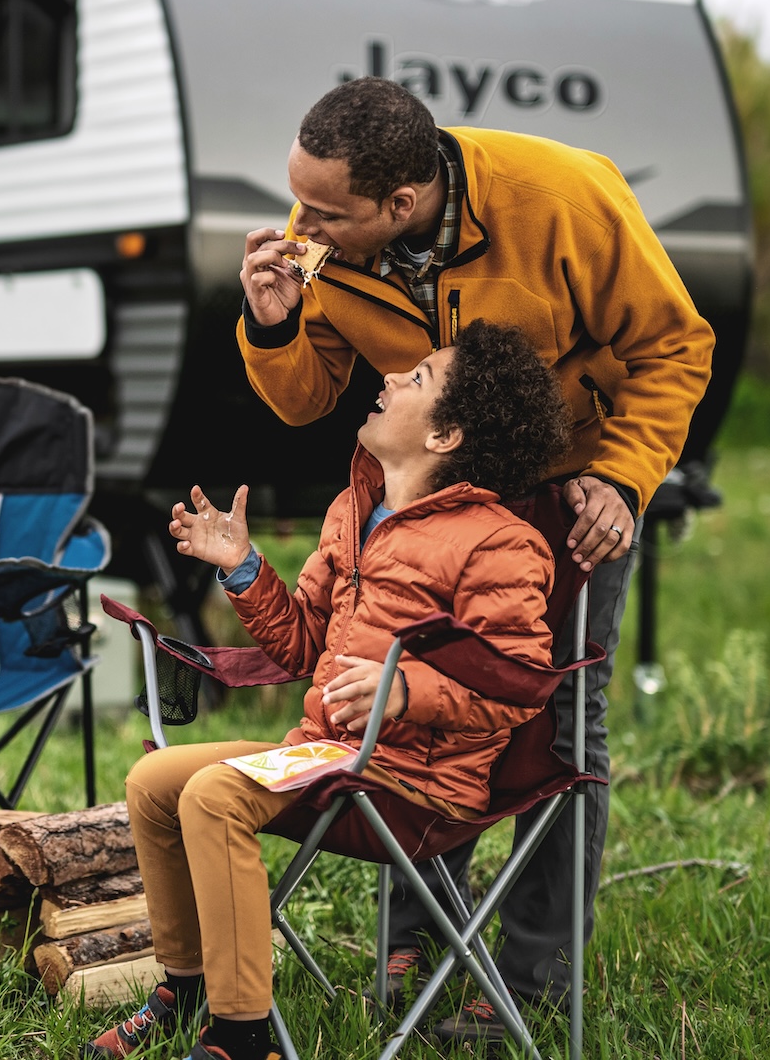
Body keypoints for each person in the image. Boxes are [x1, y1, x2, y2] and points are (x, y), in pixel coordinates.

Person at [236, 77, 715, 1039]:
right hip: (425, 495)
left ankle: (534, 979)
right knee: (398, 690)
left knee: (557, 719)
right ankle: (419, 936)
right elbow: (304, 399)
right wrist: (276, 323)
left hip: (570, 488)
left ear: (401, 204)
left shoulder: (564, 198)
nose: (302, 224)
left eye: (327, 211)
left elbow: (674, 346)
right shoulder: (323, 231)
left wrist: (620, 480)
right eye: (303, 201)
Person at [87, 321, 570, 1060]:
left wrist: (405, 691)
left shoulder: (498, 542)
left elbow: (519, 685)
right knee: (154, 780)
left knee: (214, 797)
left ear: (445, 438)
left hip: (416, 785)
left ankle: (246, 1037)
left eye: (418, 381)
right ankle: (185, 990)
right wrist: (243, 568)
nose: (390, 380)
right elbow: (305, 642)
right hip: (329, 757)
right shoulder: (354, 511)